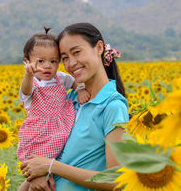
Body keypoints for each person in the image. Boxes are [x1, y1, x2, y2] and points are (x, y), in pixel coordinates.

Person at [20, 23, 129, 191]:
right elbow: (47, 157)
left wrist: (51, 167)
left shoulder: (112, 107)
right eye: (64, 58)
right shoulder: (69, 99)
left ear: (99, 48)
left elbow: (117, 181)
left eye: (76, 52)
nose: (71, 63)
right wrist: (36, 176)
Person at [17, 27, 91, 191]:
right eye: (40, 61)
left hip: (58, 133)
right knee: (36, 177)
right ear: (27, 61)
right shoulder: (33, 83)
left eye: (53, 61)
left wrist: (80, 90)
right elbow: (26, 91)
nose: (47, 66)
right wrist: (28, 74)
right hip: (39, 137)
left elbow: (74, 82)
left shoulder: (61, 78)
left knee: (45, 178)